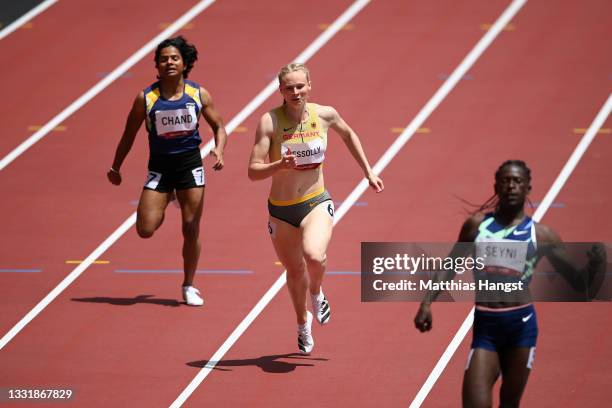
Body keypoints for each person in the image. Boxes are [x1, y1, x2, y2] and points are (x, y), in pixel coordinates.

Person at [413, 160, 606, 407]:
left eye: (517, 181)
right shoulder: (476, 227)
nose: (511, 186)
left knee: (509, 404)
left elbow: (581, 286)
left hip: (521, 329)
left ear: (528, 188)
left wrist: (595, 267)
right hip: (486, 329)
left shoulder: (542, 236)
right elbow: (450, 265)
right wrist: (426, 303)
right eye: (505, 181)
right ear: (496, 186)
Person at [248, 63, 384, 354]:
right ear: (281, 91)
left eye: (300, 86)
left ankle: (318, 292)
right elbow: (253, 171)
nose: (295, 92)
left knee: (314, 255)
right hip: (281, 210)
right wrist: (277, 165)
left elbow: (348, 135)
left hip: (315, 202)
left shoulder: (325, 115)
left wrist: (368, 171)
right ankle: (301, 323)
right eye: (289, 88)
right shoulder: (269, 122)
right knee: (295, 271)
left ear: (309, 85)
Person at [107, 36, 227, 307]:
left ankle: (188, 285)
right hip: (160, 170)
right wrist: (116, 167)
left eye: (174, 58)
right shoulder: (146, 98)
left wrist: (219, 149)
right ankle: (167, 197)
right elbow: (128, 135)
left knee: (190, 227)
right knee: (145, 229)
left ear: (184, 64)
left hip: (190, 167)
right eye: (164, 59)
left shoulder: (198, 94)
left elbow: (219, 126)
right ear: (157, 66)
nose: (169, 62)